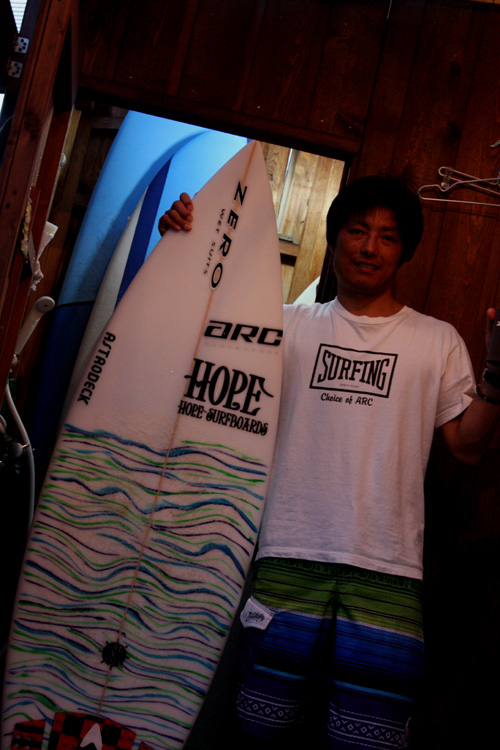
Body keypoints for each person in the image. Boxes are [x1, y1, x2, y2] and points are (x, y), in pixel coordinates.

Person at [159, 176, 500, 749]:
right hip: (286, 556)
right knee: (257, 730)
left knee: (370, 741)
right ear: (335, 237)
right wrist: (180, 247)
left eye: (388, 237)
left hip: (389, 570)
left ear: (404, 252)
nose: (370, 247)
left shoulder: (436, 340)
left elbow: (466, 446)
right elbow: (195, 343)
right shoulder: (285, 325)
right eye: (358, 230)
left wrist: (497, 375)